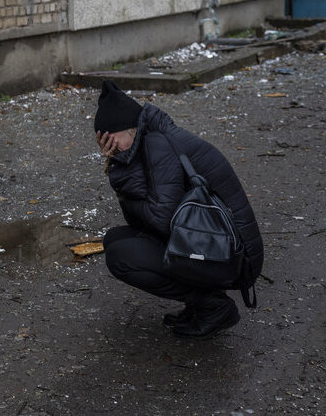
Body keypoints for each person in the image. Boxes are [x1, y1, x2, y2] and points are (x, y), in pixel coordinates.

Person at [94, 80, 264, 338]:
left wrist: (120, 169)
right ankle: (204, 299)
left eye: (110, 138)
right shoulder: (150, 139)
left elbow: (162, 221)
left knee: (121, 257)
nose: (109, 146)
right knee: (115, 239)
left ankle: (213, 306)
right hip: (219, 244)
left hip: (235, 256)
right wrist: (120, 167)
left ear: (130, 129)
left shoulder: (158, 145)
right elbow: (143, 222)